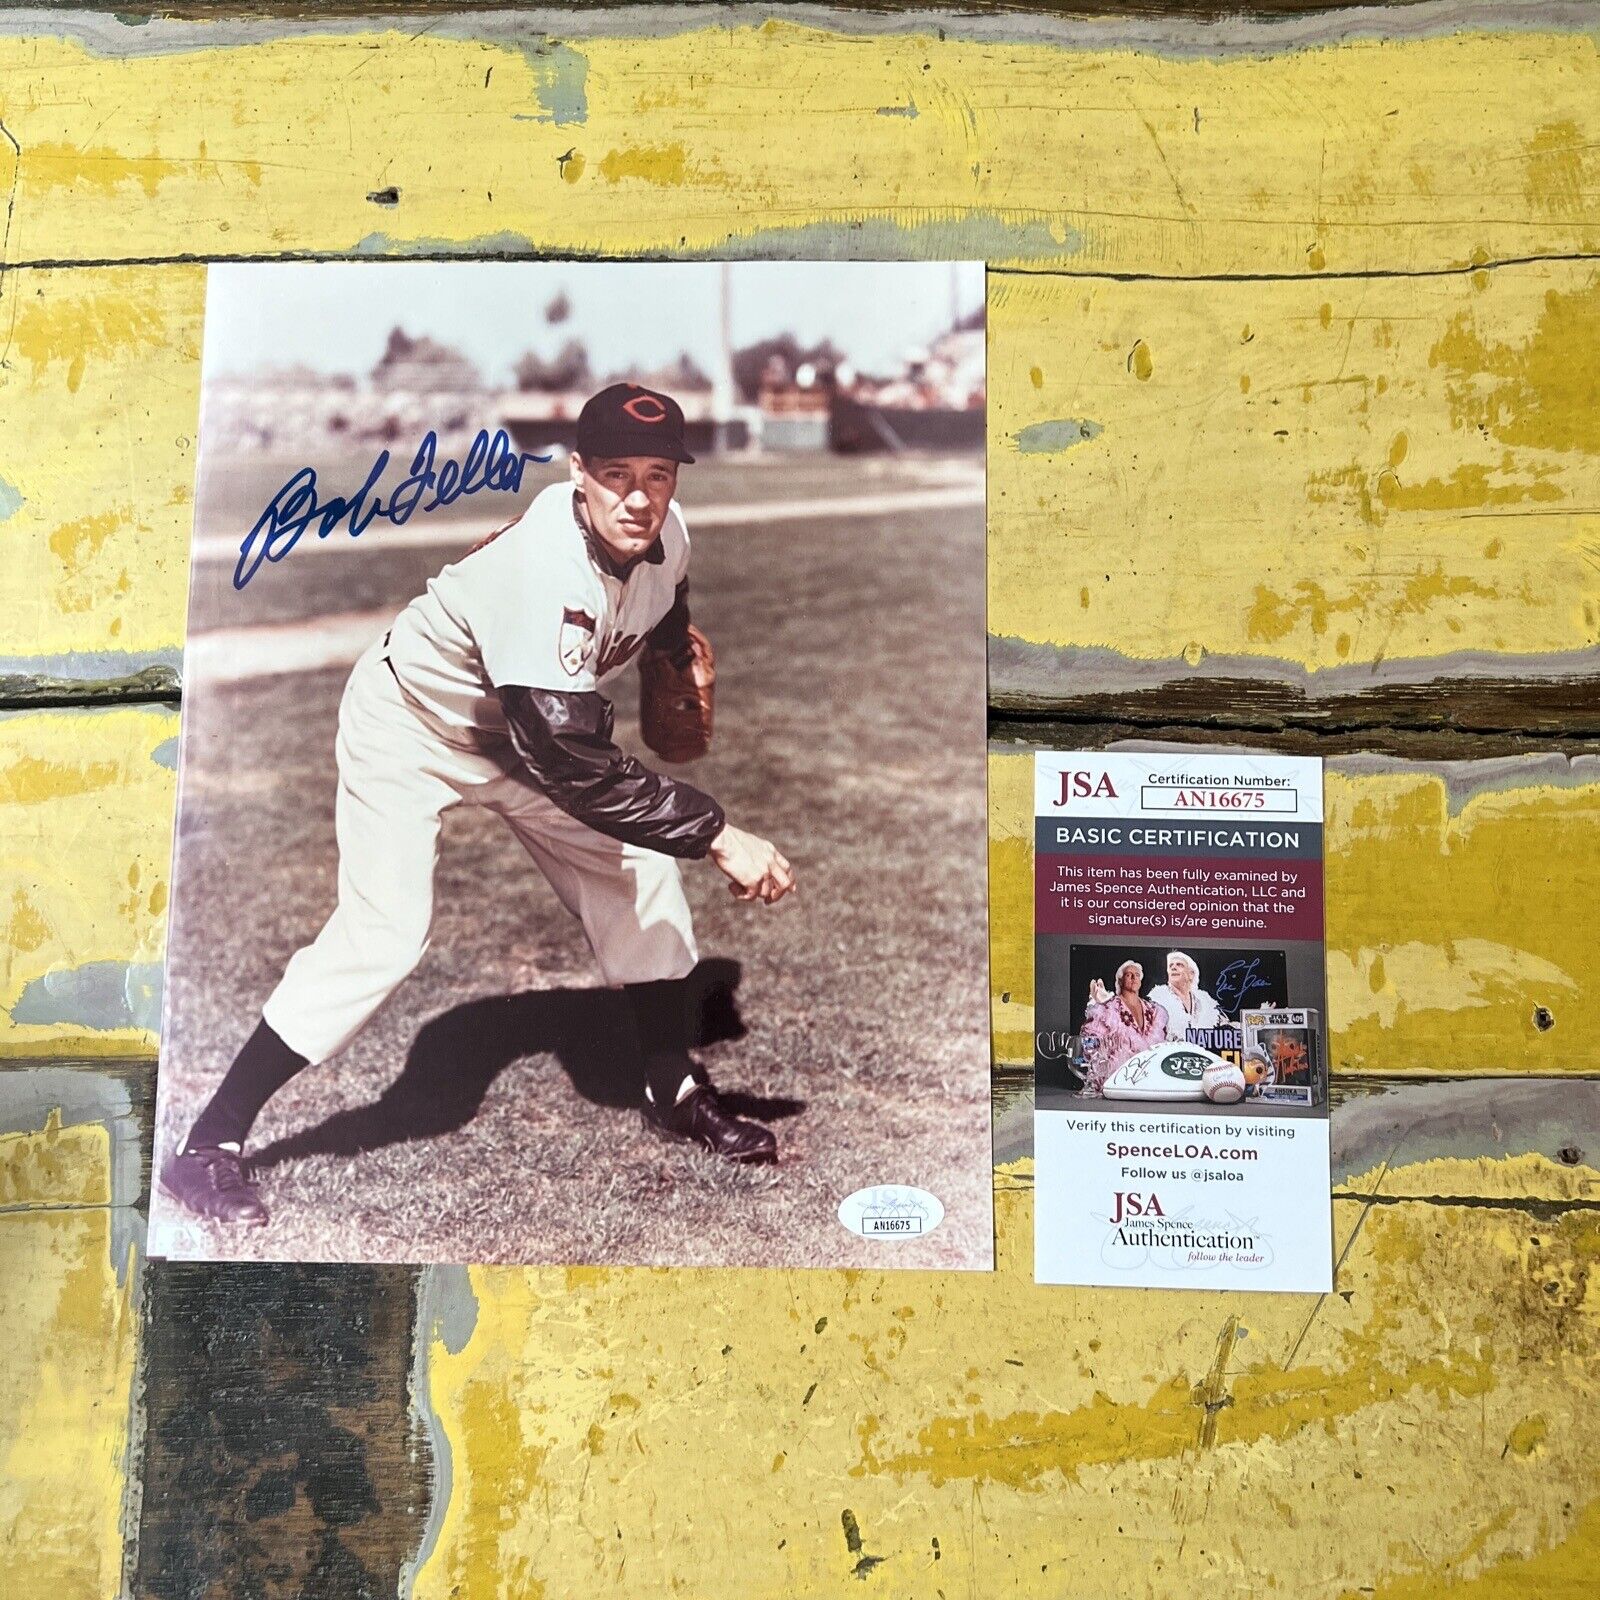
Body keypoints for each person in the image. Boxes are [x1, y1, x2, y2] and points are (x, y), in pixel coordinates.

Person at [161, 383, 796, 1226]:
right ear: (578, 474)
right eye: (616, 474)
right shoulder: (539, 572)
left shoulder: (666, 533)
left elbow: (667, 600)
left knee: (637, 871)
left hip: (521, 736)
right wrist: (716, 833)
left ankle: (668, 1082)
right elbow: (573, 764)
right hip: (411, 726)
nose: (639, 497)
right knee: (383, 935)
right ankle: (210, 1144)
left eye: (658, 473)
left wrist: (672, 649)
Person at [1079, 960, 1168, 1093]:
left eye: (1137, 975)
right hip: (1117, 1080)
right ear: (1120, 981)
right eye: (1128, 975)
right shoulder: (1108, 1008)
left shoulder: (1153, 1010)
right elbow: (1090, 1044)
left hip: (1149, 1082)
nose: (1133, 978)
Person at [1148, 950, 1226, 1041]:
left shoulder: (1206, 1002)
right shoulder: (1157, 1001)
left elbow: (1225, 1027)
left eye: (1179, 965)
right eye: (1170, 966)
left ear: (1191, 974)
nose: (1173, 967)